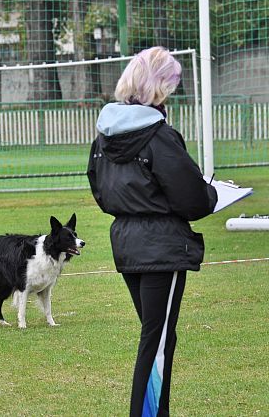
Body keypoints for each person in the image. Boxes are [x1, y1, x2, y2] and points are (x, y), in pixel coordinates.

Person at [86, 46, 217, 417]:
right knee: (156, 341)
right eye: (171, 87)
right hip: (160, 246)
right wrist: (212, 193)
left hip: (128, 245)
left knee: (157, 336)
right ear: (158, 88)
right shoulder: (159, 136)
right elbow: (193, 199)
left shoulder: (103, 137)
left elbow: (101, 190)